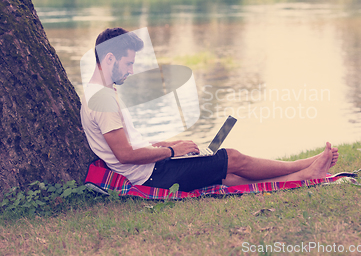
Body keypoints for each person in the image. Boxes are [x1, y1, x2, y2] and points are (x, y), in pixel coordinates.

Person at [80, 28, 339, 192]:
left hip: (154, 168)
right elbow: (124, 154)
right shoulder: (101, 99)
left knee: (226, 173)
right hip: (152, 176)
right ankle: (304, 166)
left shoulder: (103, 92)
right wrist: (171, 152)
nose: (132, 70)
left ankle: (303, 174)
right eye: (128, 63)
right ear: (110, 58)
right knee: (232, 158)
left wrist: (168, 144)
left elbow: (130, 143)